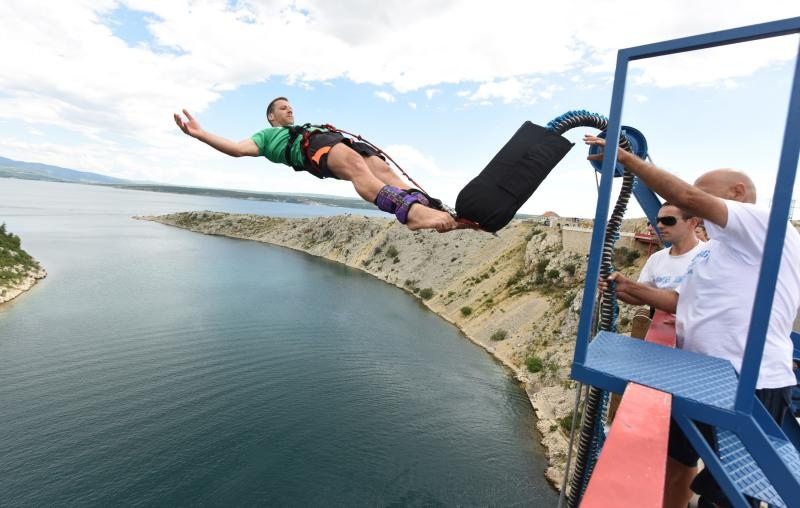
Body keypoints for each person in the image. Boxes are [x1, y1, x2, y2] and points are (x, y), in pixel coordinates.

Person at [584, 134, 800, 508]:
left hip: (750, 383)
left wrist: (628, 161)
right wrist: (634, 290)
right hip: (703, 375)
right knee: (678, 462)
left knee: (726, 496)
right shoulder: (716, 251)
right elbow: (682, 302)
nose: (693, 204)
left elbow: (686, 197)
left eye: (702, 195)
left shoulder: (765, 225)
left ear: (737, 192)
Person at [174, 97, 459, 232]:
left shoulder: (300, 126)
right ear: (271, 117)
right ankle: (410, 213)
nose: (289, 109)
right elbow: (236, 149)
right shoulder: (265, 136)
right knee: (355, 166)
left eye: (290, 107)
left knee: (381, 168)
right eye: (282, 108)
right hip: (312, 149)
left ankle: (433, 209)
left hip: (330, 140)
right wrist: (201, 134)